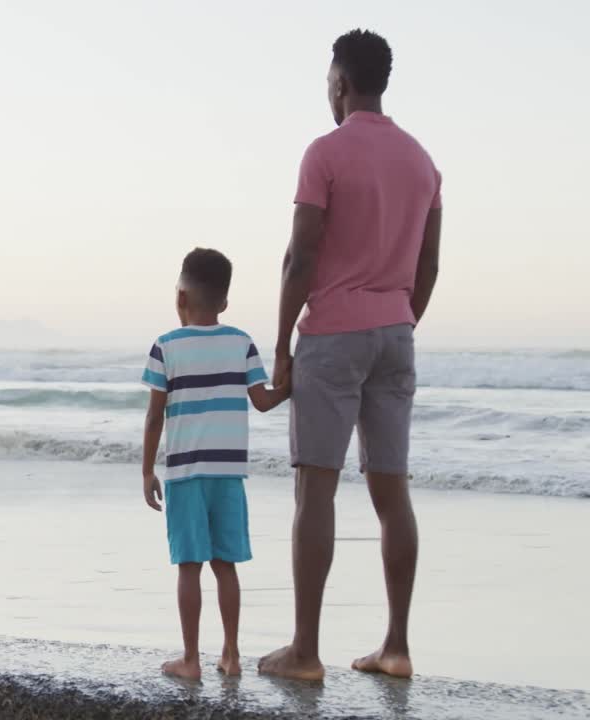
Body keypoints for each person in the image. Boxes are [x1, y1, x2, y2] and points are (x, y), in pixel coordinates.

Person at [257, 29, 443, 682]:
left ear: (340, 83)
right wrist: (397, 319)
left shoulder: (325, 153)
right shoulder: (423, 163)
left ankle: (305, 652)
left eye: (328, 84)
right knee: (393, 492)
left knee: (316, 489)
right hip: (397, 333)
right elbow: (429, 263)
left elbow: (300, 256)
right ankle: (396, 647)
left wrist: (282, 346)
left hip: (333, 336)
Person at [141, 247, 289, 681]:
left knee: (189, 566)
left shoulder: (165, 346)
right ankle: (232, 654)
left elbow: (155, 416)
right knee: (226, 565)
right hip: (229, 473)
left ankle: (191, 659)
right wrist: (291, 381)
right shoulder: (241, 342)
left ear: (180, 297)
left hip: (185, 473)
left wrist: (147, 469)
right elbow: (262, 401)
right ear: (224, 302)